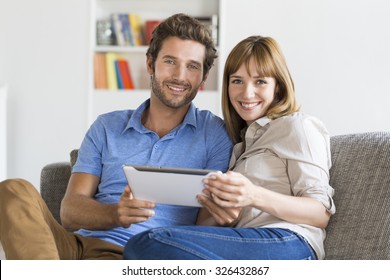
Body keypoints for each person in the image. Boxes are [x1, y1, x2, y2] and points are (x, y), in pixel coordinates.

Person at [0, 13, 233, 260]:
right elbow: (69, 211)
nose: (180, 75)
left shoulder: (215, 134)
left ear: (203, 78)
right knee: (13, 189)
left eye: (192, 66)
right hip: (75, 245)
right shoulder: (107, 126)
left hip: (133, 256)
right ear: (151, 64)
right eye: (170, 61)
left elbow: (205, 229)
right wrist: (115, 214)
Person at [123, 35, 336, 260]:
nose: (247, 93)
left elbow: (320, 212)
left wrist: (253, 195)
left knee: (148, 243)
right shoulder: (238, 145)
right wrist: (221, 211)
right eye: (237, 81)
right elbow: (211, 225)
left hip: (289, 242)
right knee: (147, 247)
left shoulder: (297, 126)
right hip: (243, 240)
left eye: (260, 81)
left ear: (279, 87)